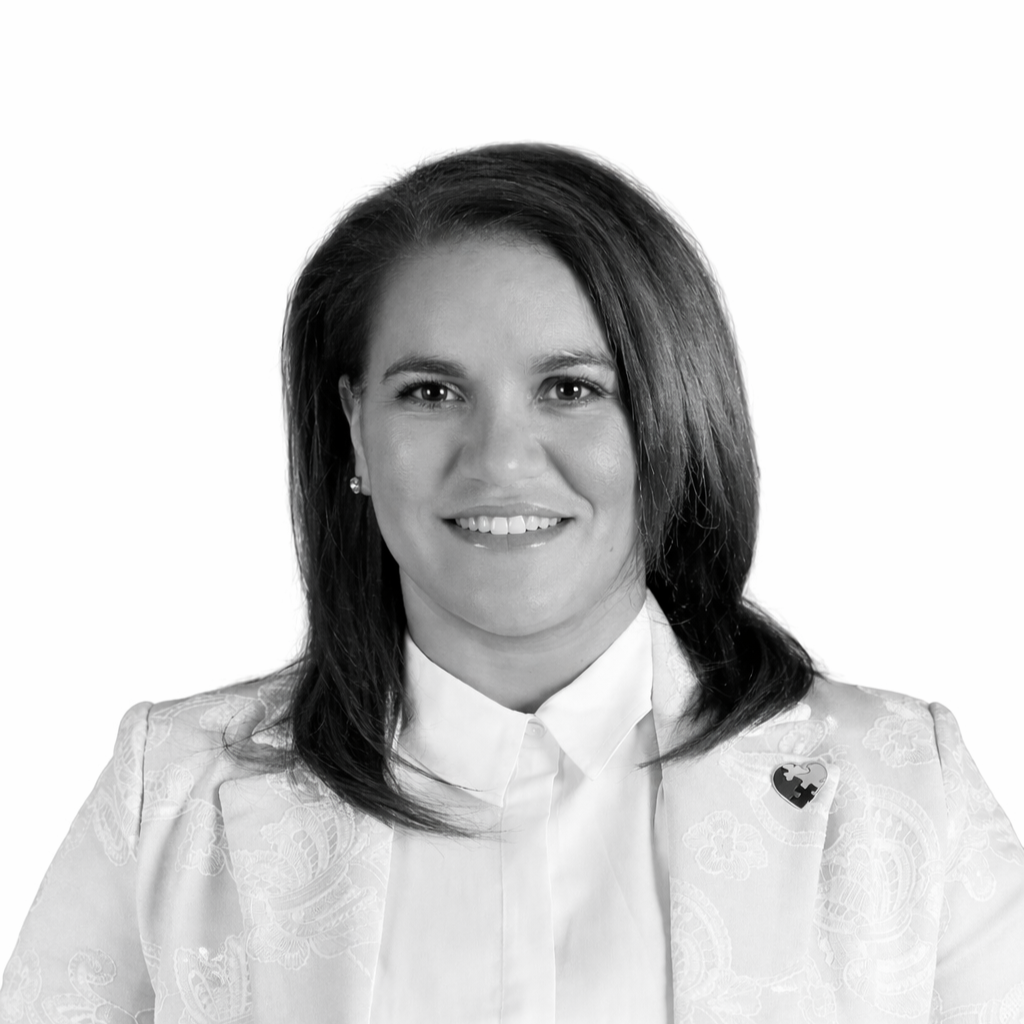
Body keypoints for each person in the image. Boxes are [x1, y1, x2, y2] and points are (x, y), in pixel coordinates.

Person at [2, 143, 1022, 1024]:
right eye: (432, 392)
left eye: (570, 388)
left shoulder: (901, 789)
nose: (499, 460)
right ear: (355, 425)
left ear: (669, 412)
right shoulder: (173, 791)